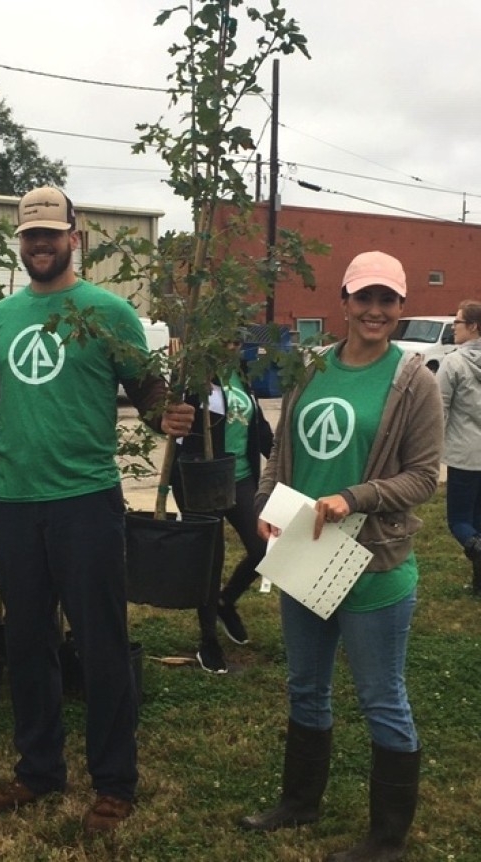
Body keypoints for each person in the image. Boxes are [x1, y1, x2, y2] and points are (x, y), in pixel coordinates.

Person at [0, 186, 194, 836]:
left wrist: (169, 414)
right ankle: (39, 770)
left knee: (101, 646)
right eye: (31, 235)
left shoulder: (108, 312)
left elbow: (146, 385)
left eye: (52, 233)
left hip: (85, 503)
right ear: (19, 242)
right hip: (17, 504)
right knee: (27, 644)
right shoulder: (1, 317)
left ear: (74, 237)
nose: (41, 244)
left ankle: (114, 784)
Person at [240, 251, 443, 862]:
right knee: (306, 688)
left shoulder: (415, 382)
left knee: (382, 699)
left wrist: (351, 496)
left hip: (374, 564)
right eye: (364, 298)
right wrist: (267, 504)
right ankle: (299, 803)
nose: (375, 311)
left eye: (388, 300)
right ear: (345, 303)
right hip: (306, 556)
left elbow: (423, 478)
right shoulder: (310, 370)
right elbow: (281, 451)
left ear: (401, 309)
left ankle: (387, 839)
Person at [171, 349, 273, 673]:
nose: (229, 344)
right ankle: (208, 641)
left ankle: (225, 602)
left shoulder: (241, 374)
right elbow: (173, 423)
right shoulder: (192, 372)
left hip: (241, 478)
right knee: (209, 561)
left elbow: (258, 427)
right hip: (202, 477)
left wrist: (282, 463)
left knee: (264, 547)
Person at [436, 300, 481, 595]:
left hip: (465, 456)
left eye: (457, 323)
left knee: (459, 521)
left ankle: (477, 552)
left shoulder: (453, 363)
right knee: (478, 520)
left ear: (474, 327)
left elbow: (437, 410)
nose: (453, 328)